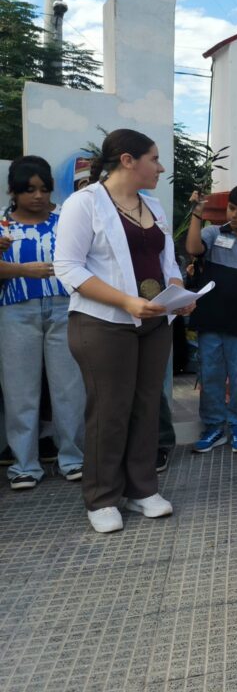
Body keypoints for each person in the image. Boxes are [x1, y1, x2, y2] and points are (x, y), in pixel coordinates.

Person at [54, 128, 194, 533]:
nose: (161, 167)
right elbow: (69, 268)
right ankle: (101, 498)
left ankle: (142, 489)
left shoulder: (153, 205)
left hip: (154, 320)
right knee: (109, 410)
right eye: (154, 158)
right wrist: (126, 301)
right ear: (127, 161)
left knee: (148, 406)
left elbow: (168, 260)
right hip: (104, 323)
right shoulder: (85, 203)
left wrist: (179, 292)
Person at [0, 157, 85, 489]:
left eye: (43, 188)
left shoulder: (66, 219)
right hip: (15, 311)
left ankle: (73, 459)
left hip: (66, 309)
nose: (37, 196)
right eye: (28, 190)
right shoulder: (2, 226)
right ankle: (24, 465)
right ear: (13, 191)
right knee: (20, 391)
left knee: (70, 389)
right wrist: (23, 270)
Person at [186, 185, 237, 454]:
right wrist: (197, 213)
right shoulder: (211, 233)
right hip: (209, 320)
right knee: (210, 375)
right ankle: (213, 426)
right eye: (231, 208)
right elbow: (193, 247)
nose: (234, 215)